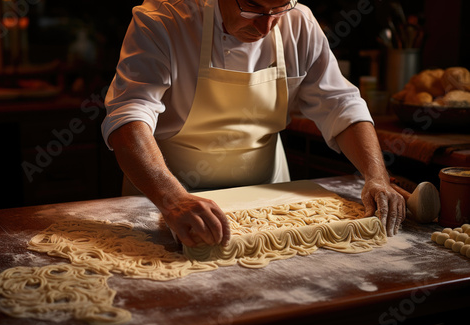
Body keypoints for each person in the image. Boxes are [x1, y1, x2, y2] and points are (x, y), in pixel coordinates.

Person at [102, 0, 405, 248]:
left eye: (278, 9)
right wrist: (172, 199)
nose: (266, 26)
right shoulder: (163, 21)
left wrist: (376, 175)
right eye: (253, 8)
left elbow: (341, 105)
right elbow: (128, 118)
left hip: (270, 202)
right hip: (166, 203)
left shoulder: (299, 23)